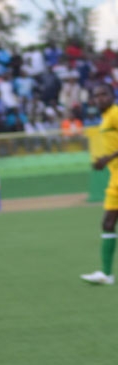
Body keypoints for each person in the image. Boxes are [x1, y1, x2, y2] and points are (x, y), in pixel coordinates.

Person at [81, 82, 118, 285]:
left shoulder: (115, 113)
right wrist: (105, 160)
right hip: (115, 178)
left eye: (104, 94)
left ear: (112, 96)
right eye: (96, 96)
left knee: (109, 223)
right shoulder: (104, 118)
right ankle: (106, 274)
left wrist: (106, 159)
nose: (100, 98)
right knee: (107, 223)